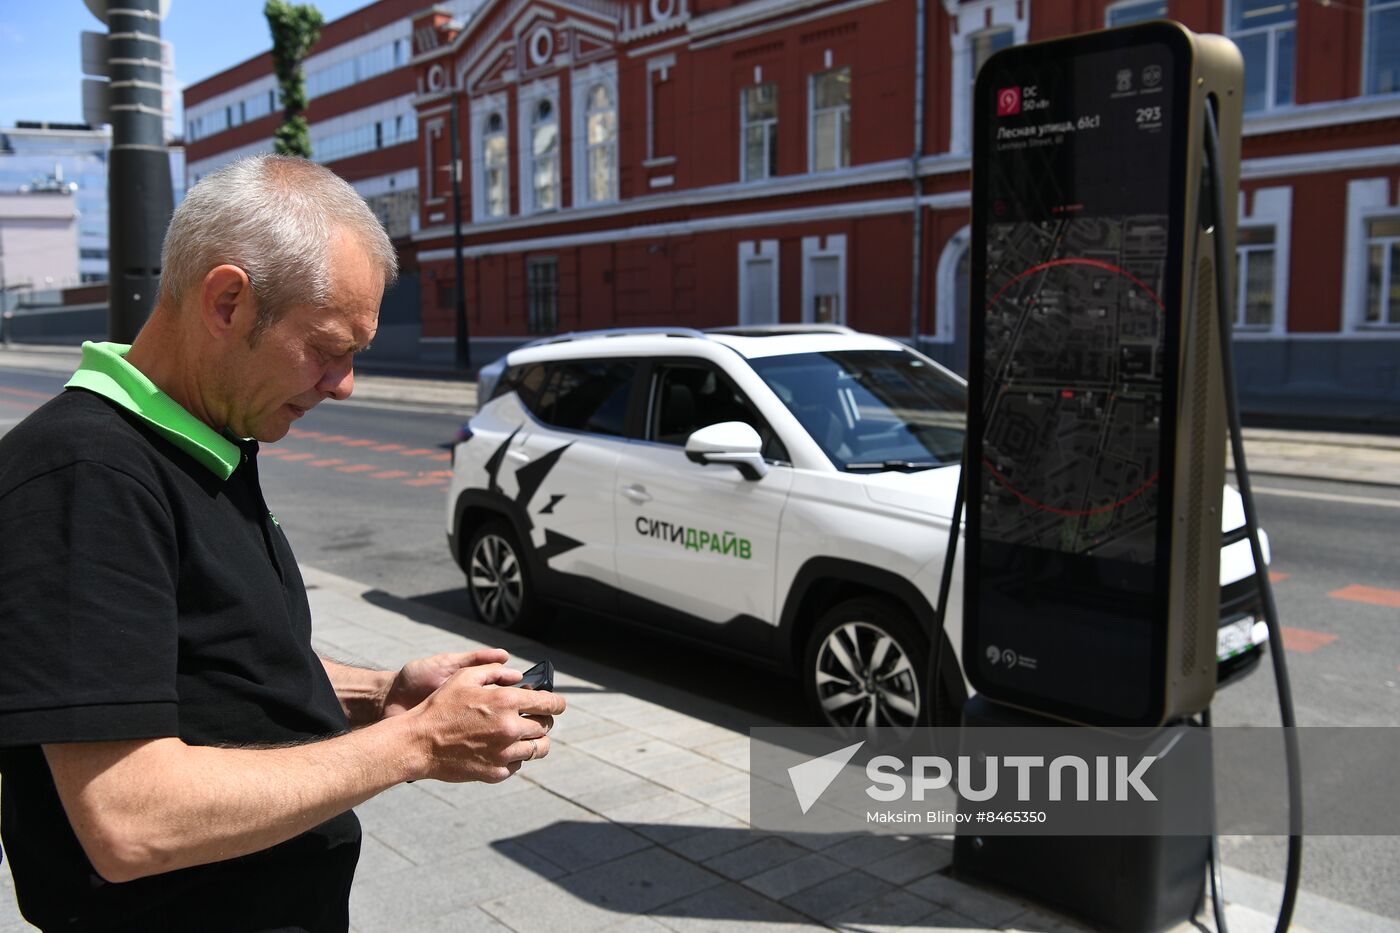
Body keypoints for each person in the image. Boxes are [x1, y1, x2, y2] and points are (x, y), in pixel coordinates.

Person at [0, 155, 565, 931]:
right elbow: (128, 817)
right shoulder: (87, 474)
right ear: (228, 300)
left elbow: (204, 662)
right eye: (329, 347)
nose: (344, 384)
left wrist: (380, 694)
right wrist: (416, 742)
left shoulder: (210, 438)